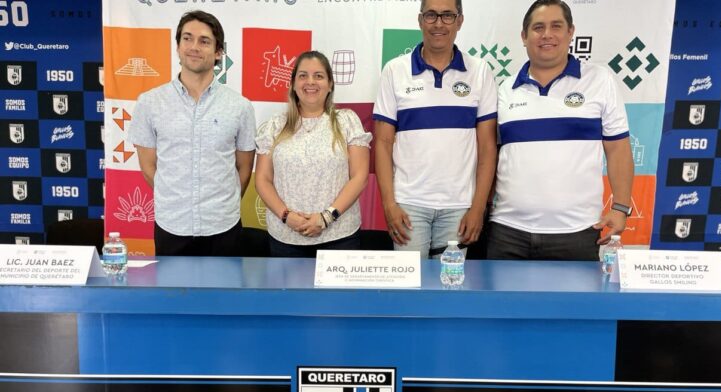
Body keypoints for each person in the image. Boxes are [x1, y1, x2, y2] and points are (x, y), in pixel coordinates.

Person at [488, 0, 634, 260]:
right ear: (524, 36)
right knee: (504, 303)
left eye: (556, 26)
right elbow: (489, 156)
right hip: (508, 233)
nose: (547, 35)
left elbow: (618, 149)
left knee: (575, 304)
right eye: (538, 27)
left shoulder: (599, 80)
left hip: (578, 233)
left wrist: (621, 208)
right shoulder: (503, 89)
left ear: (570, 32)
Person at [373, 0, 498, 258]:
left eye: (447, 16)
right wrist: (389, 204)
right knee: (409, 292)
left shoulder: (480, 71)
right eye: (431, 15)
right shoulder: (395, 71)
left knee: (450, 291)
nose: (438, 23)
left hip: (460, 206)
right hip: (408, 205)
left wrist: (478, 208)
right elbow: (383, 143)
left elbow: (487, 146)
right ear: (420, 20)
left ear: (460, 21)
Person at [129, 10, 256, 256]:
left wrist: (219, 204)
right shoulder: (150, 103)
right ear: (177, 47)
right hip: (171, 226)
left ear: (219, 52)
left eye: (204, 41)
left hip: (223, 227)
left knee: (224, 295)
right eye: (187, 38)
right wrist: (177, 199)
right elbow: (148, 167)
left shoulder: (240, 107)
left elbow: (244, 169)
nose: (194, 47)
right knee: (173, 295)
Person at [254, 51, 371, 258]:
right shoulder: (275, 126)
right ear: (292, 83)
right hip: (285, 237)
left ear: (330, 84)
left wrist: (326, 217)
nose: (311, 82)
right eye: (303, 75)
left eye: (318, 76)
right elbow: (263, 179)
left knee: (336, 293)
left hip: (339, 237)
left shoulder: (347, 122)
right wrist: (286, 216)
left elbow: (359, 177)